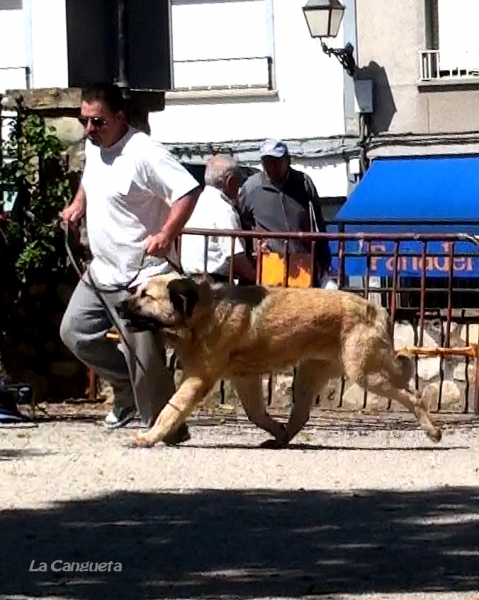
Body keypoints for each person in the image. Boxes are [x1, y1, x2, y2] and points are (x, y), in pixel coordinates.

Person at [60, 82, 201, 440]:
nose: (90, 129)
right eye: (85, 121)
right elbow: (91, 179)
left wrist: (167, 233)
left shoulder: (145, 152)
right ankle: (126, 390)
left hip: (142, 274)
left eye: (98, 122)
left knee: (145, 356)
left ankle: (166, 427)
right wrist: (79, 204)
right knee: (74, 332)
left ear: (120, 117)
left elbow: (187, 190)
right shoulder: (95, 147)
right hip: (102, 270)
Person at [239, 138, 335, 288]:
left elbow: (318, 222)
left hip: (302, 260)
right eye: (267, 161)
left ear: (287, 160)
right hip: (270, 262)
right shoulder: (251, 188)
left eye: (276, 161)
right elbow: (243, 222)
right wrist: (255, 243)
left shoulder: (303, 183)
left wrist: (324, 258)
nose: (272, 166)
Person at [180, 155, 256, 283]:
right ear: (230, 181)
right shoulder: (223, 210)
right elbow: (234, 256)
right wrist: (256, 278)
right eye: (238, 182)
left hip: (191, 281)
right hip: (215, 286)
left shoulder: (197, 202)